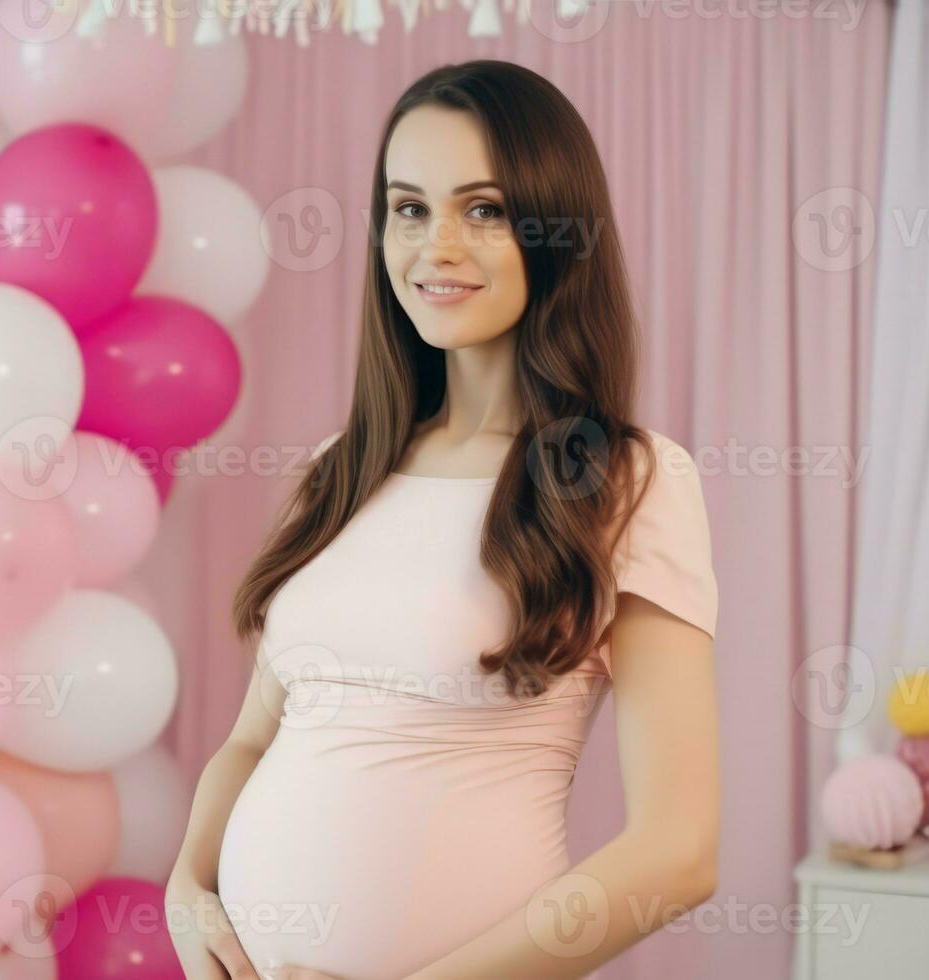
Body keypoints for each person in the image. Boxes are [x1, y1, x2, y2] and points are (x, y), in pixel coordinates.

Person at [165, 59, 720, 980]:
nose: (436, 246)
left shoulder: (626, 479)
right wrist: (188, 889)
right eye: (410, 208)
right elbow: (252, 740)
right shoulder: (331, 473)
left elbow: (677, 850)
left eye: (485, 209)